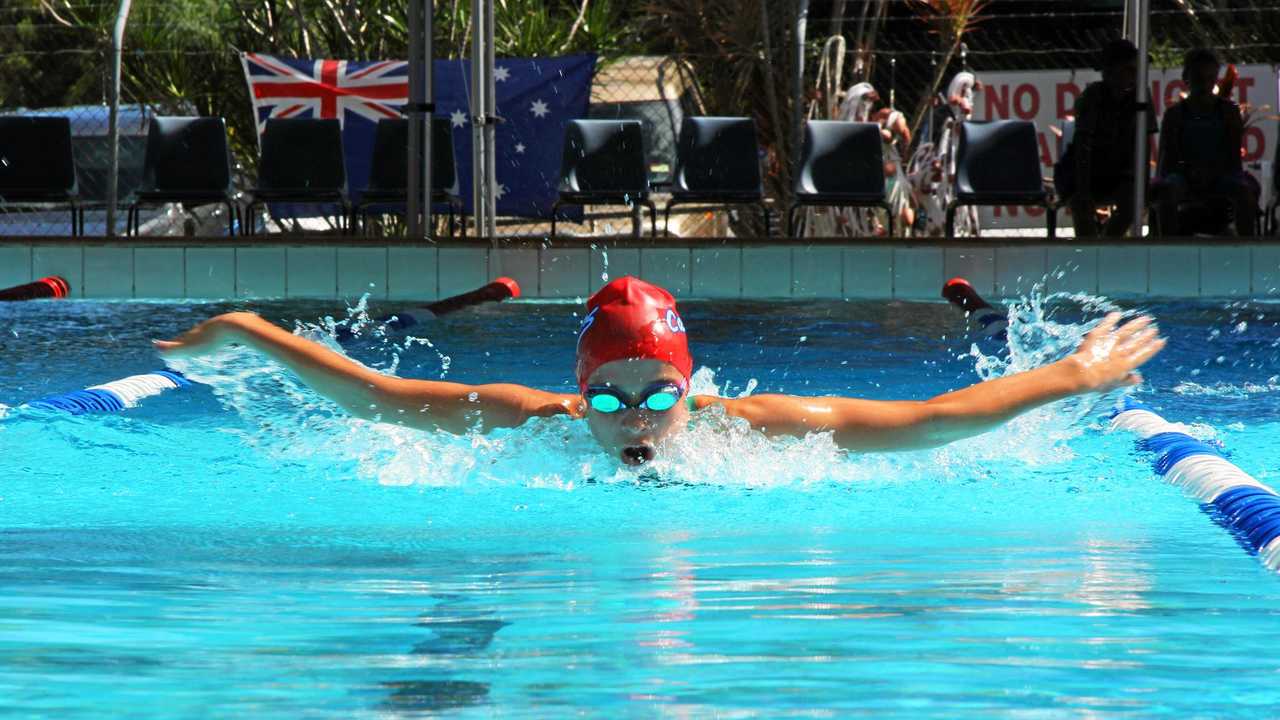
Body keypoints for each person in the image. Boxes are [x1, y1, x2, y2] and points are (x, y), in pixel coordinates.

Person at [156, 276, 1165, 467]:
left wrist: (1073, 374)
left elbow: (935, 419)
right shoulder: (533, 424)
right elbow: (371, 398)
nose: (631, 420)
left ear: (692, 388)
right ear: (574, 391)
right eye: (604, 396)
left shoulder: (751, 430)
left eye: (656, 396)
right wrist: (249, 329)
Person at [1155, 47, 1258, 236]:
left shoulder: (1228, 112)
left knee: (1245, 193)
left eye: (1210, 79)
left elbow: (1233, 157)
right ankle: (1168, 249)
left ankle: (1247, 249)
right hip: (1184, 176)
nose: (1204, 84)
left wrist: (1213, 172)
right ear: (1187, 78)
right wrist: (1190, 171)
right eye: (1199, 78)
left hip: (1221, 174)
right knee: (1167, 191)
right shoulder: (1175, 114)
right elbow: (1169, 158)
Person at [1061, 39, 1155, 238]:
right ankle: (1087, 254)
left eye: (1136, 70)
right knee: (1081, 205)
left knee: (1132, 204)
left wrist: (1143, 187)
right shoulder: (1093, 97)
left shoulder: (1141, 97)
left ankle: (1106, 245)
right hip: (1088, 172)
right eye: (1128, 70)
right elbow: (1083, 146)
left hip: (1119, 174)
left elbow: (1146, 146)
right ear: (1110, 72)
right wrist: (1083, 190)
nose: (1134, 76)